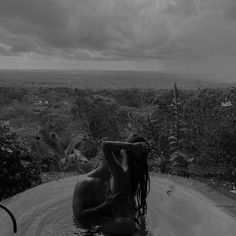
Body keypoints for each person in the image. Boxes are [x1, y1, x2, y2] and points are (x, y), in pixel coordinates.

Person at [76, 134, 150, 235]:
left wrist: (131, 146)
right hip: (131, 223)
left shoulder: (119, 174)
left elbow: (105, 146)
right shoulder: (136, 175)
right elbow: (79, 217)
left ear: (124, 153)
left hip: (121, 225)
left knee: (93, 230)